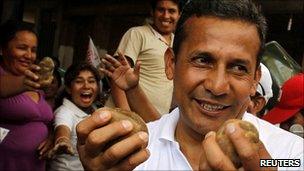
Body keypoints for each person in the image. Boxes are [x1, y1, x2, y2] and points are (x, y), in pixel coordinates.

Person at [76, 0, 303, 170]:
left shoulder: (291, 155)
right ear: (171, 64)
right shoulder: (129, 154)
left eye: (238, 68)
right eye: (202, 61)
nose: (217, 86)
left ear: (255, 79)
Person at [105, 0, 181, 121]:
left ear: (179, 15)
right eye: (161, 10)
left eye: (171, 11)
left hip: (154, 122)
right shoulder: (137, 34)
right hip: (125, 120)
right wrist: (127, 117)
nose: (166, 16)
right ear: (152, 12)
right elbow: (118, 76)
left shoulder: (178, 43)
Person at [0, 20, 54, 171]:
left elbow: (45, 121)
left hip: (35, 165)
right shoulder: (21, 79)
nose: (29, 55)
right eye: (22, 48)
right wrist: (25, 82)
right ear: (2, 49)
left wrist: (50, 136)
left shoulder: (36, 85)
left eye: (34, 50)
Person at [48, 63, 101, 171]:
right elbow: (62, 128)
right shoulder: (64, 111)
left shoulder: (96, 111)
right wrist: (62, 140)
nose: (86, 86)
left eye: (91, 81)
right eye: (79, 81)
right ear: (68, 88)